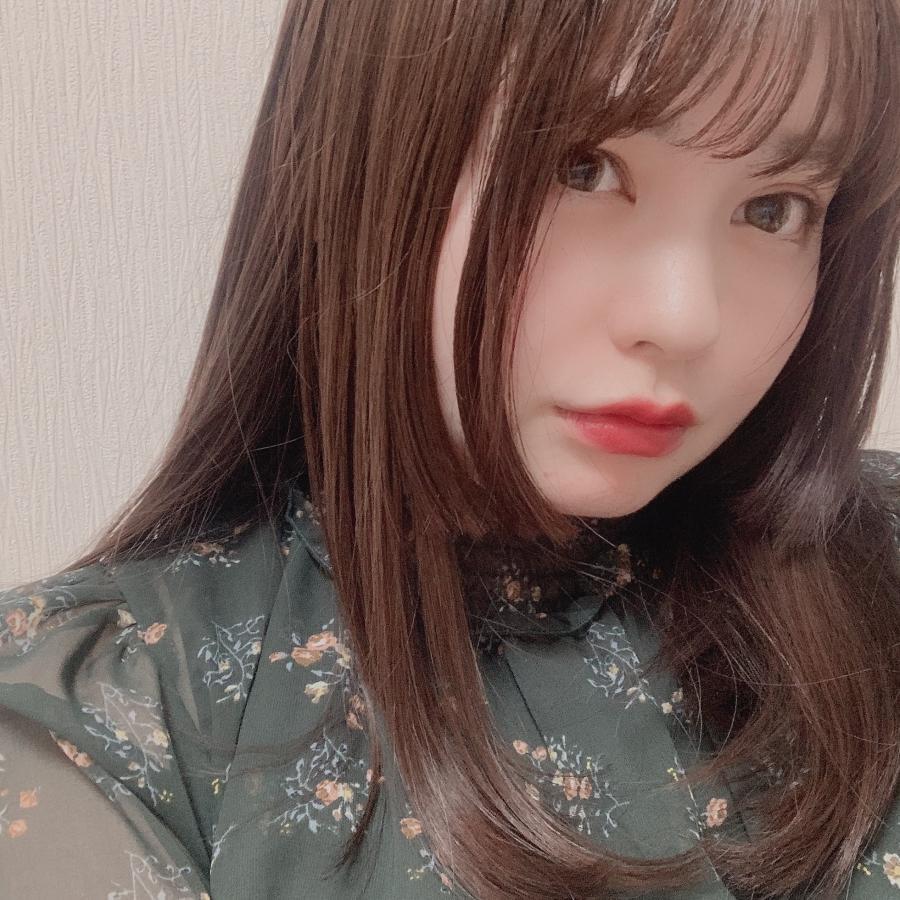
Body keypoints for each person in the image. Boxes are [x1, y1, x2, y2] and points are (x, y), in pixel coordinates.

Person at [2, 0, 900, 897]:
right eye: (581, 168)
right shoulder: (113, 724)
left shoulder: (879, 572)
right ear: (365, 152)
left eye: (774, 209)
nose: (685, 318)